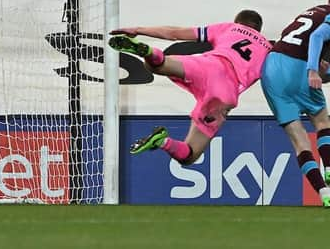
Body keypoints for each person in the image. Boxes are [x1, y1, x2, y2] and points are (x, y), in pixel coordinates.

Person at [110, 10, 271, 165]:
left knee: (157, 65)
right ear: (259, 29)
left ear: (238, 22)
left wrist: (138, 30)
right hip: (225, 91)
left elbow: (175, 33)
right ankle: (162, 142)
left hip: (206, 66)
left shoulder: (229, 28)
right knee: (189, 155)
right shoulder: (269, 50)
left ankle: (149, 52)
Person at [261, 1, 330, 206]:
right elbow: (317, 35)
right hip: (298, 67)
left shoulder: (312, 11)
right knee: (322, 122)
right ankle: (329, 168)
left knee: (299, 141)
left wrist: (318, 63)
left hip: (271, 68)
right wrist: (312, 68)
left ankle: (324, 192)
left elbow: (290, 35)